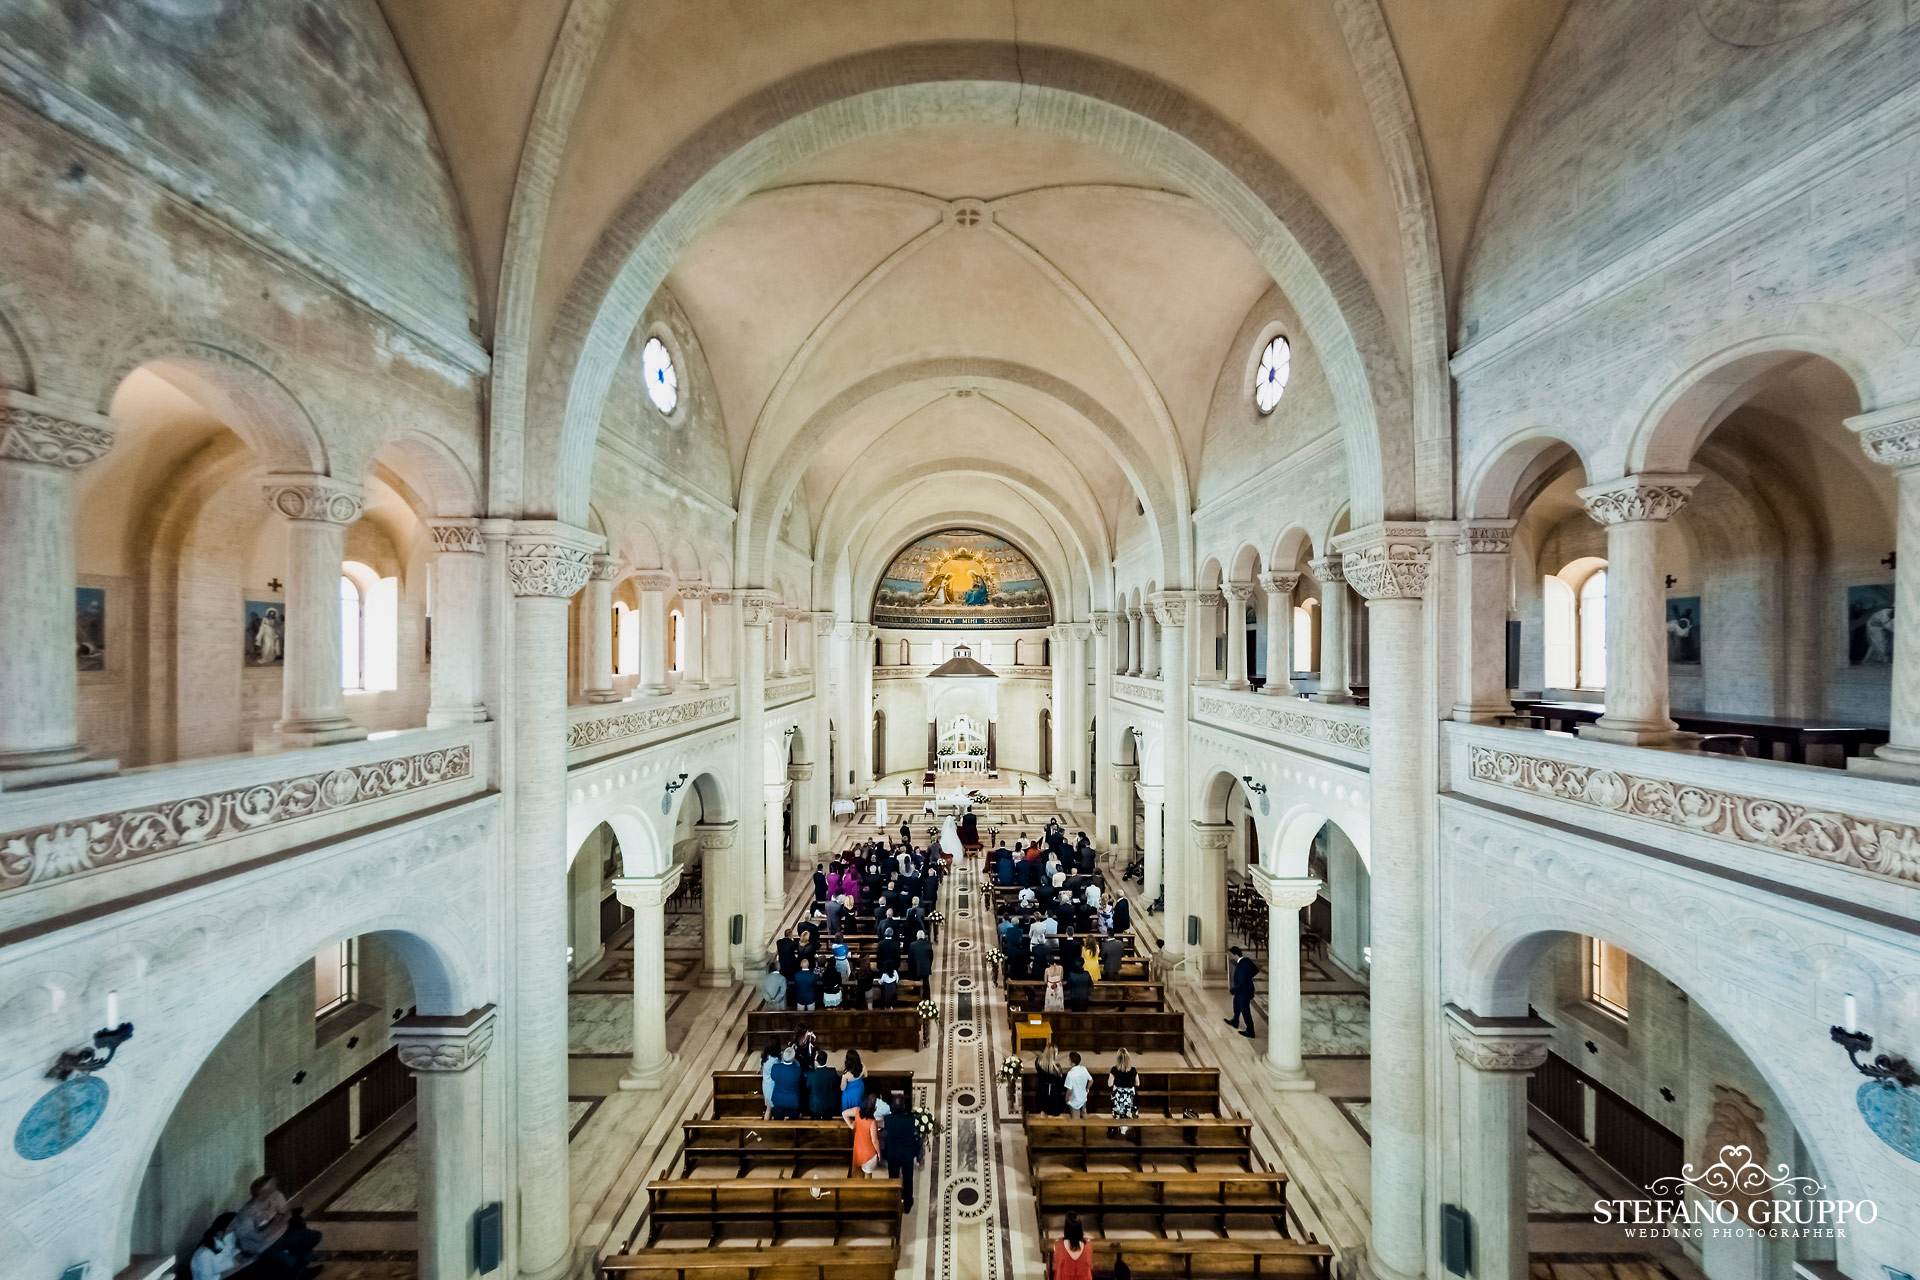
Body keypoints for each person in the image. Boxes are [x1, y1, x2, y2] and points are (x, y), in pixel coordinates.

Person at [232, 1174, 320, 1276]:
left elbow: (287, 1214)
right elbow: (252, 1240)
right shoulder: (246, 1214)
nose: (275, 1187)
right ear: (263, 1193)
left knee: (313, 1237)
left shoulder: (276, 1196)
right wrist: (274, 1224)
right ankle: (301, 1271)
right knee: (288, 1261)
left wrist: (278, 1223)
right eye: (272, 1187)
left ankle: (301, 1263)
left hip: (279, 1234)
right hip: (261, 1246)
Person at [881, 1090, 923, 1210]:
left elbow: (886, 1138)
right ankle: (908, 1204)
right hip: (907, 1154)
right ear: (904, 1107)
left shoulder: (888, 1120)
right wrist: (916, 1153)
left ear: (893, 1107)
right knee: (908, 1179)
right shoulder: (910, 1119)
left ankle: (894, 1201)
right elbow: (916, 1138)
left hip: (893, 1154)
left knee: (893, 1178)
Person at [190, 1213, 243, 1280]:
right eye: (233, 1228)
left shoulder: (228, 1241)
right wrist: (238, 1268)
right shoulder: (205, 1254)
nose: (237, 1231)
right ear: (220, 1231)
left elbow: (234, 1254)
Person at [1226, 944, 1258, 1039]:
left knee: (1245, 1011)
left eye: (1231, 955)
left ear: (1235, 955)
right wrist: (1249, 977)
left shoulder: (1241, 966)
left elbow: (1242, 981)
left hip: (1243, 992)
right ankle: (1235, 1021)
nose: (1230, 957)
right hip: (1244, 990)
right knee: (1236, 1003)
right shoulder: (1246, 960)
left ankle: (1250, 1031)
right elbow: (1256, 970)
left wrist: (1233, 990)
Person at [1050, 1213, 1095, 1280]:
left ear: (1066, 1228)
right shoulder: (1088, 1245)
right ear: (1080, 1228)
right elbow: (1088, 1272)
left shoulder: (1058, 1245)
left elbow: (1057, 1271)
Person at [1108, 1048, 1139, 1136]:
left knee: (1117, 1110)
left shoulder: (1114, 1070)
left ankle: (1117, 1126)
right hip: (1129, 1099)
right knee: (1128, 1110)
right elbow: (1138, 1083)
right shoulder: (1133, 1070)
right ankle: (1125, 1128)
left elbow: (1109, 1084)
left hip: (1118, 1099)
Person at [769, 1046, 805, 1119]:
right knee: (793, 1121)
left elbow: (773, 1077)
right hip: (793, 1100)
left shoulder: (775, 1067)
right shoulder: (797, 1070)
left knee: (777, 1121)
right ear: (793, 1058)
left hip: (778, 1099)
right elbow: (800, 1080)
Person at [806, 1049, 842, 1119]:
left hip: (815, 1105)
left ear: (816, 1061)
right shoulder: (832, 1072)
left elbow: (808, 1086)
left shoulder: (811, 1075)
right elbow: (835, 1085)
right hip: (829, 1104)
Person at [851, 1096, 882, 1176]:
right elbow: (874, 1140)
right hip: (868, 1153)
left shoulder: (857, 1112)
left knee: (860, 1175)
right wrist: (878, 1153)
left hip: (859, 1150)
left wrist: (851, 1124)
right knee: (868, 1176)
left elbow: (844, 1113)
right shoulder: (872, 1122)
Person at [840, 1049, 867, 1123]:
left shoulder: (846, 1074)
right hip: (859, 1090)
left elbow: (843, 1088)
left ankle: (848, 1119)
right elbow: (866, 1075)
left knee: (845, 1097)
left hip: (850, 1094)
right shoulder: (862, 1066)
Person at [1063, 1051, 1092, 1119]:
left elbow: (1069, 1091)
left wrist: (1066, 1099)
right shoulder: (1084, 1069)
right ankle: (1085, 1128)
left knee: (1076, 1121)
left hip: (1074, 1102)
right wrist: (1087, 1088)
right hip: (1083, 1098)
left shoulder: (1070, 1074)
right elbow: (1091, 1080)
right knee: (1084, 1116)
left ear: (1071, 1062)